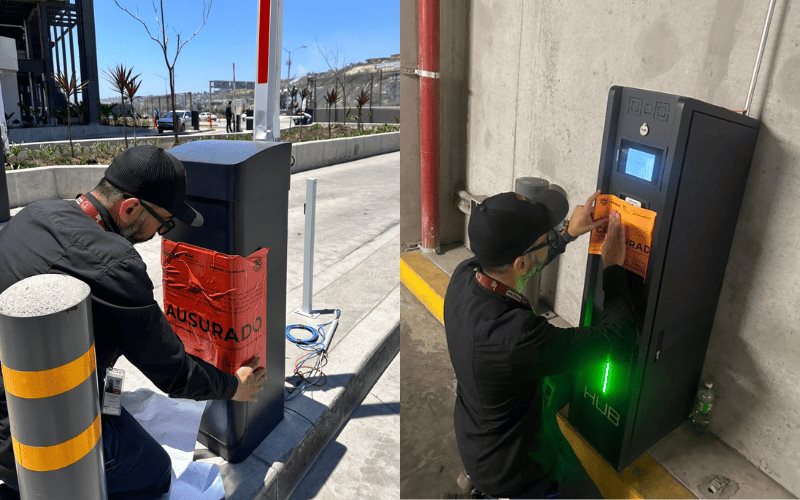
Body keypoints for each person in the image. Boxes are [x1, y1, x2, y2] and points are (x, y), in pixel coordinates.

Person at [0, 145, 265, 498]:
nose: (162, 233)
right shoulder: (114, 265)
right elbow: (175, 374)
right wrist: (235, 387)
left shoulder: (36, 213)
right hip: (31, 440)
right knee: (153, 474)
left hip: (18, 401)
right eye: (165, 222)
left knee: (113, 404)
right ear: (130, 208)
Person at [444, 189, 636, 498]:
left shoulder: (465, 276)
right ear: (519, 263)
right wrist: (613, 268)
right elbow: (619, 339)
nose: (550, 237)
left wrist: (567, 234)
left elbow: (527, 262)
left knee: (564, 375)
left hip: (477, 430)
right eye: (544, 237)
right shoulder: (517, 336)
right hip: (514, 475)